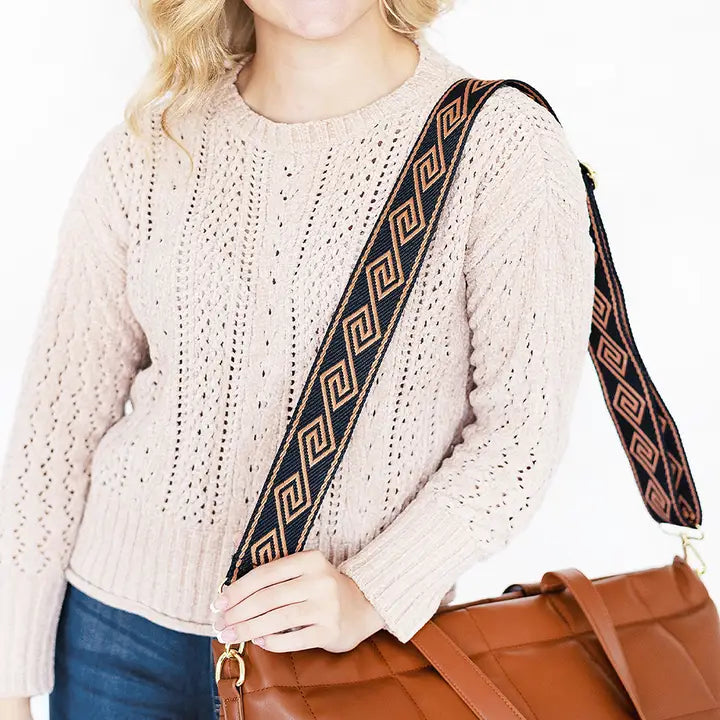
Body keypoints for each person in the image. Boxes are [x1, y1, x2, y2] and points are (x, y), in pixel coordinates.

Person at [0, 0, 596, 718]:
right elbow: (56, 430)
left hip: (352, 656)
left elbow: (522, 436)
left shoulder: (501, 147)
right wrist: (10, 674)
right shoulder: (147, 149)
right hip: (114, 640)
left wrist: (370, 592)